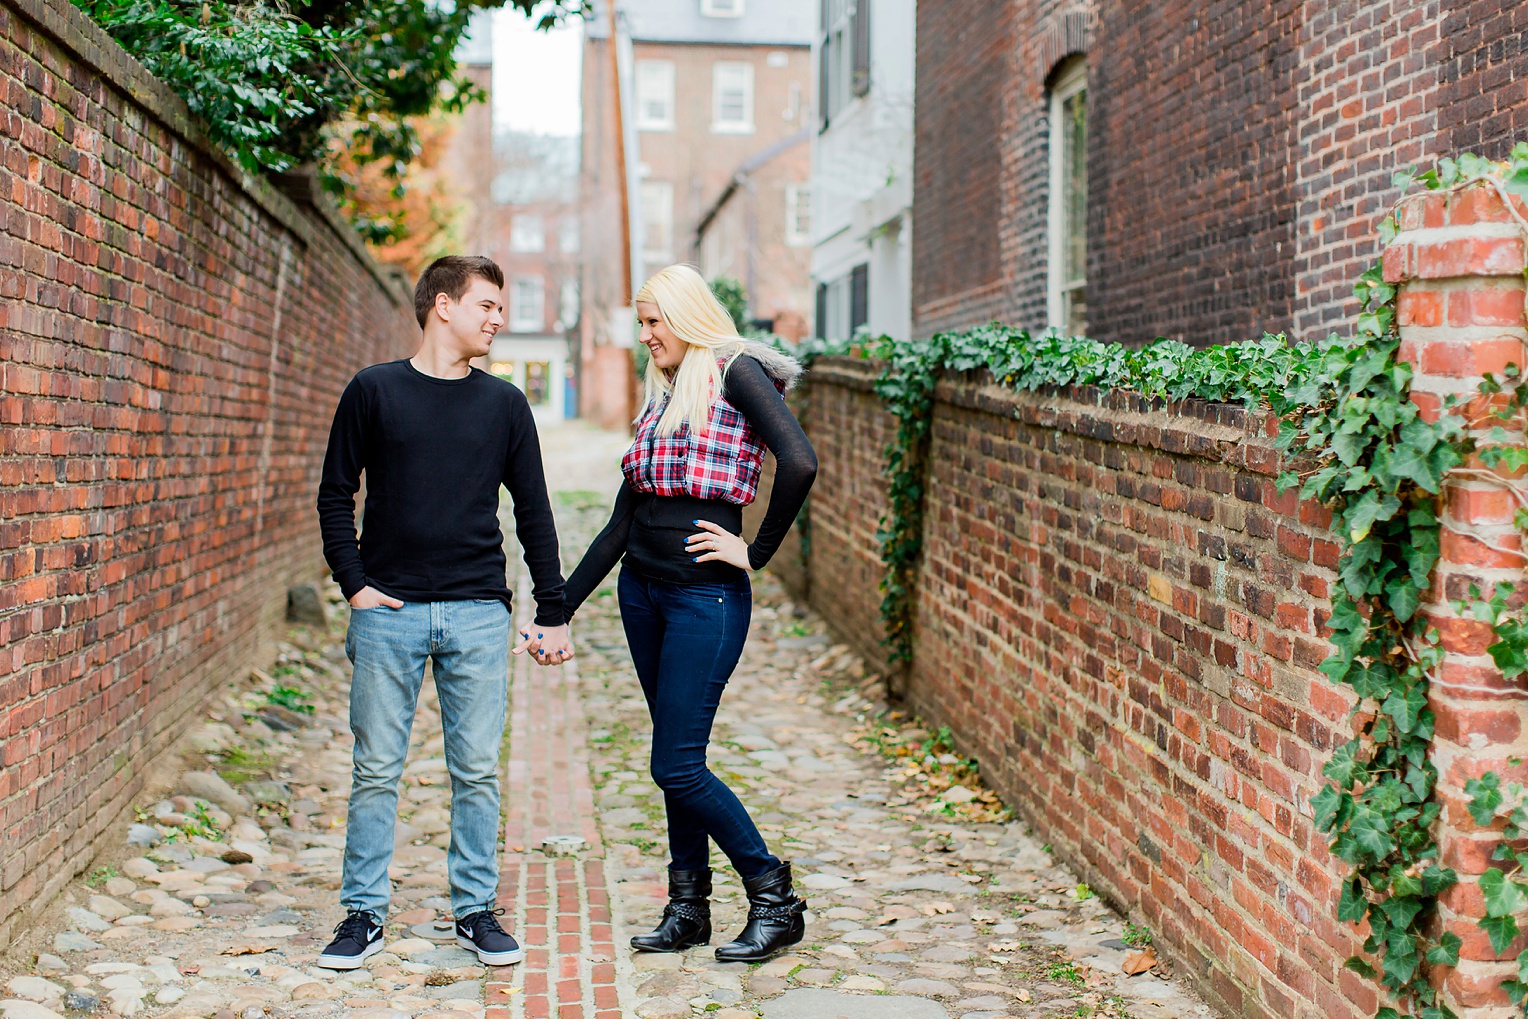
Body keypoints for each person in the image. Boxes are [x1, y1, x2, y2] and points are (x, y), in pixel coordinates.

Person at [314, 255, 575, 970]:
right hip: (387, 611)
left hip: (478, 613)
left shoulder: (504, 404)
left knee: (478, 770)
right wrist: (355, 585)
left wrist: (551, 608)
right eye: (487, 304)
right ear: (442, 305)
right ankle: (362, 911)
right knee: (375, 768)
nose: (499, 318)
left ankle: (474, 910)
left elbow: (534, 511)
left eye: (500, 306)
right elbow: (336, 492)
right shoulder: (372, 391)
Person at [562, 264, 818, 962]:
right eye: (641, 323)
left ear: (687, 315)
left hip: (705, 597)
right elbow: (623, 520)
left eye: (655, 322)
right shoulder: (666, 395)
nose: (646, 336)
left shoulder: (737, 371)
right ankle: (688, 907)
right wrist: (558, 605)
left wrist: (754, 551)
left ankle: (774, 896)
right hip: (642, 593)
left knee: (675, 764)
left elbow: (798, 461)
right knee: (680, 748)